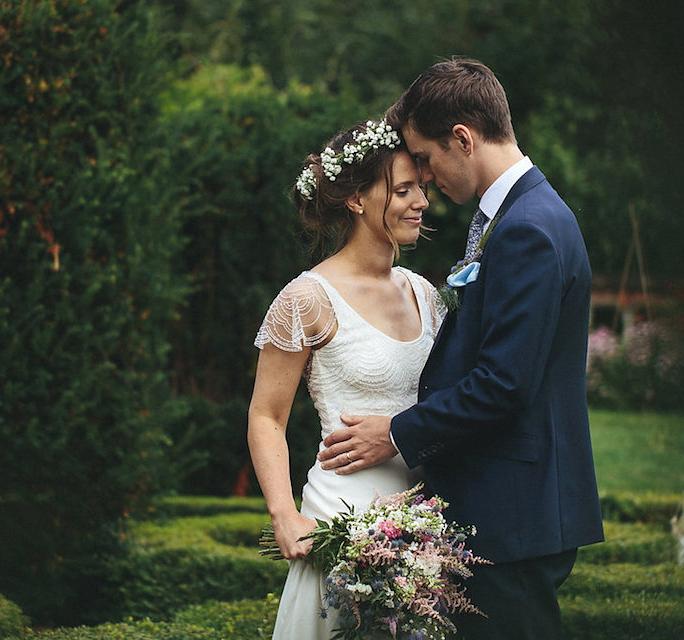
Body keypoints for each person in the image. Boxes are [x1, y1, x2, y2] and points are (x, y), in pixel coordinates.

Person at [317, 58, 604, 639]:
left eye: (423, 158)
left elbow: (504, 382)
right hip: (509, 508)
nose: (423, 179)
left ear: (463, 139)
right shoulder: (522, 214)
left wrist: (396, 432)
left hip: (512, 512)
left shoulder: (526, 227)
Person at [247, 119, 445, 639]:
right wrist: (284, 515)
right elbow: (266, 415)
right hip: (341, 527)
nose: (420, 201)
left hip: (426, 535)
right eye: (402, 190)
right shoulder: (307, 299)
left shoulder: (427, 296)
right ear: (356, 199)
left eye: (420, 187)